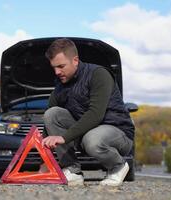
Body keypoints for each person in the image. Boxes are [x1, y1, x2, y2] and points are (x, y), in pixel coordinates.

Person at [40, 38, 135, 186]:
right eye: (54, 67)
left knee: (92, 139)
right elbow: (48, 123)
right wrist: (44, 160)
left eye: (61, 66)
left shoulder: (98, 74)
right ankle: (72, 171)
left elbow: (96, 114)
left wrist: (64, 137)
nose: (57, 72)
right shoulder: (61, 85)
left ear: (75, 60)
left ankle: (118, 166)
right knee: (52, 114)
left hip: (118, 132)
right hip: (87, 133)